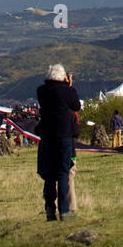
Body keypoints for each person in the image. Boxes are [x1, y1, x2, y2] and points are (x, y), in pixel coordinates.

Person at [36, 64, 81, 220]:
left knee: (49, 174)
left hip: (47, 136)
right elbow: (76, 105)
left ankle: (49, 208)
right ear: (62, 77)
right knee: (63, 172)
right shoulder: (65, 90)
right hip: (64, 136)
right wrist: (70, 86)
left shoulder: (41, 91)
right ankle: (64, 209)